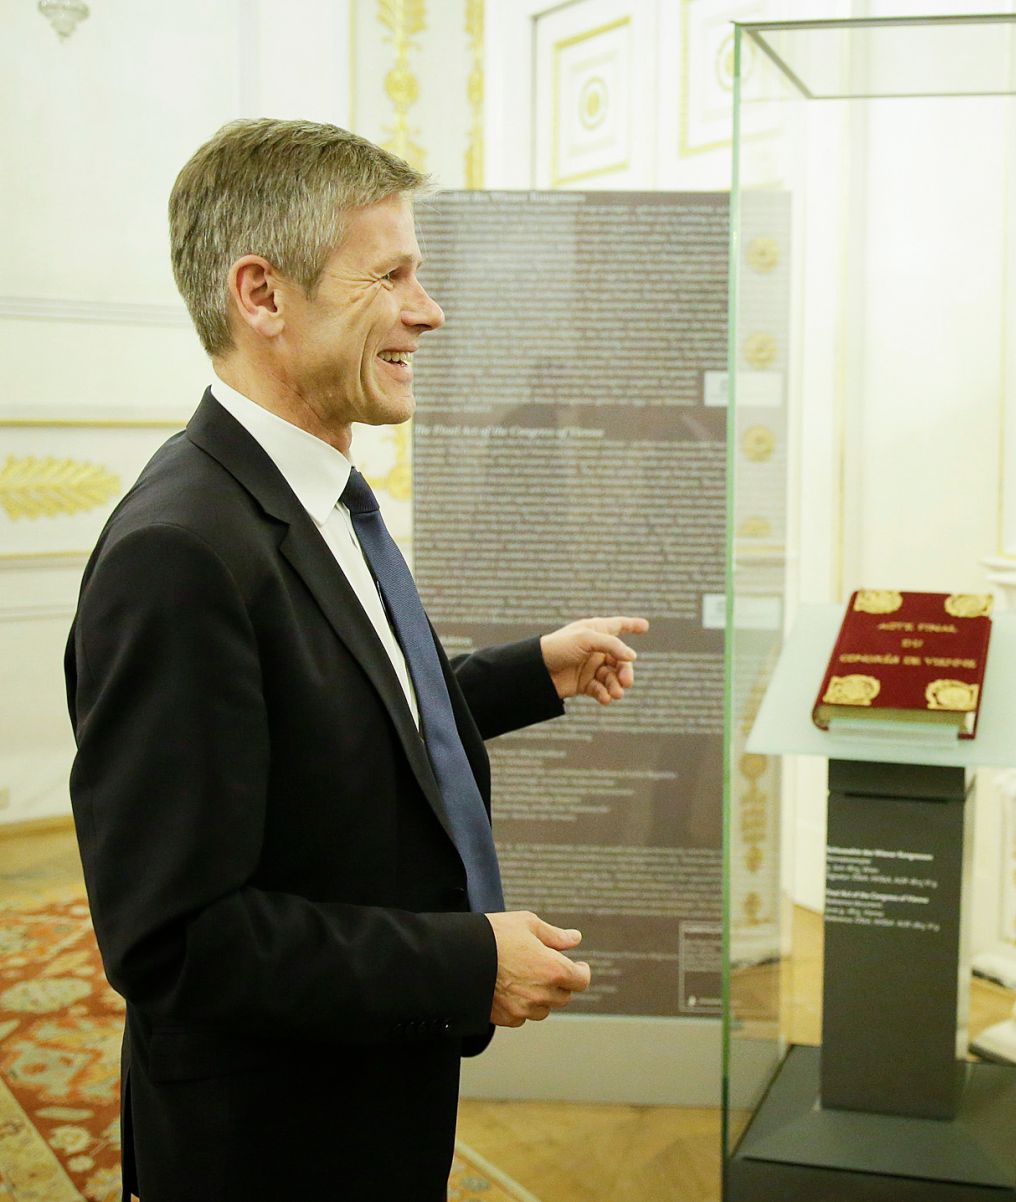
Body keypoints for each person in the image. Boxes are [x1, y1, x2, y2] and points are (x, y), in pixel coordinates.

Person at [64, 119, 649, 1201]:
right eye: (390, 275)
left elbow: (339, 716)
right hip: (277, 1139)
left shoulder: (310, 494)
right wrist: (466, 963)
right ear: (263, 296)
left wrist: (530, 671)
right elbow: (176, 941)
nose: (428, 311)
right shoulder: (179, 553)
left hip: (367, 1088)